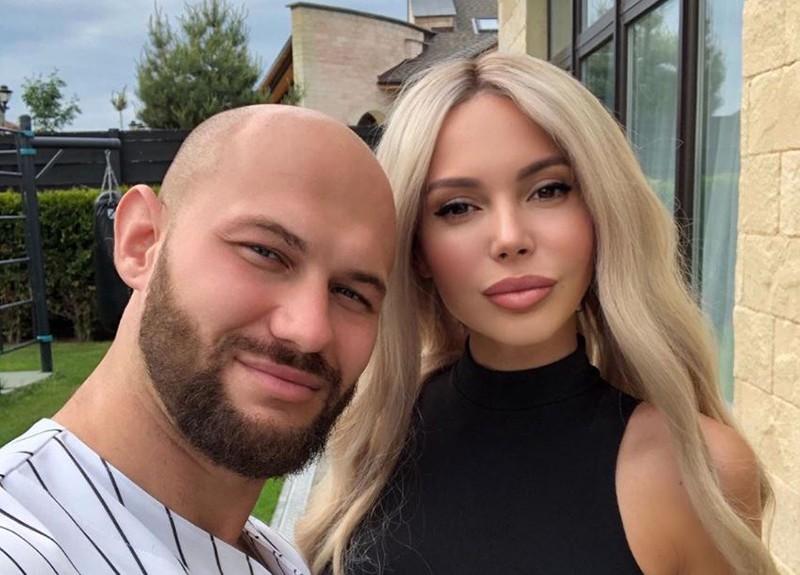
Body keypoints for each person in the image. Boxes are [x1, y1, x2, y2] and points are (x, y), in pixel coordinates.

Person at [296, 53, 778, 575]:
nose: (510, 239)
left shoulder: (702, 471)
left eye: (549, 190)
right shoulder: (373, 435)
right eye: (457, 207)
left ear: (602, 213)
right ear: (417, 250)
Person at [0, 105, 396, 575]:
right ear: (141, 242)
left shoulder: (270, 554)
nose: (310, 330)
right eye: (265, 252)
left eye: (351, 293)